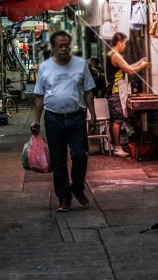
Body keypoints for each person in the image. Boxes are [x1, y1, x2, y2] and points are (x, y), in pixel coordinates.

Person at [31, 30, 96, 212]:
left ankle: (77, 186)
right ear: (53, 47)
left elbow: (89, 90)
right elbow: (39, 96)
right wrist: (36, 119)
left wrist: (92, 113)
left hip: (76, 117)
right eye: (60, 45)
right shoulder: (45, 67)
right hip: (53, 119)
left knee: (79, 155)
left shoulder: (80, 64)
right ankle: (64, 198)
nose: (64, 48)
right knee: (58, 161)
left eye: (67, 44)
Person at [106, 32, 151, 157]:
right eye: (124, 43)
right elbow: (129, 71)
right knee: (117, 120)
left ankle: (115, 146)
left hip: (114, 91)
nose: (125, 46)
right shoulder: (115, 55)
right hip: (116, 91)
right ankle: (117, 147)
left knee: (115, 120)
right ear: (119, 43)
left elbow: (126, 67)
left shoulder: (112, 54)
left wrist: (139, 62)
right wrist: (143, 65)